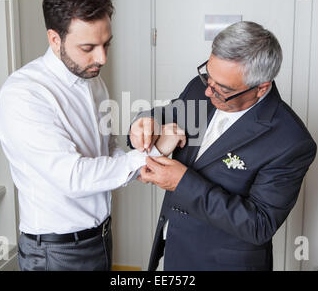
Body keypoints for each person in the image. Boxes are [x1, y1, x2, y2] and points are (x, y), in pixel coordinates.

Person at [0, 0, 185, 271]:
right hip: (55, 253)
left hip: (100, 239)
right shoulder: (24, 94)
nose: (102, 58)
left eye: (106, 44)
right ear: (55, 39)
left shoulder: (92, 81)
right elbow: (74, 177)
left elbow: (106, 157)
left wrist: (156, 152)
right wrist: (147, 156)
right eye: (88, 47)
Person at [129, 21, 317, 271]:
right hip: (175, 249)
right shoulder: (202, 87)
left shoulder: (291, 142)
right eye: (208, 76)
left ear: (261, 88)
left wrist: (182, 183)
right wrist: (143, 122)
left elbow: (259, 225)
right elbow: (161, 116)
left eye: (223, 89)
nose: (208, 92)